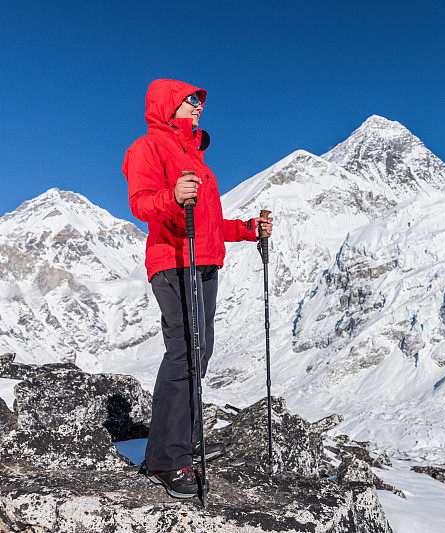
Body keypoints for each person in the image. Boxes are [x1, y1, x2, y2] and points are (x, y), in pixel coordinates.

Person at [122, 79, 272, 499]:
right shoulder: (147, 148)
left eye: (199, 100)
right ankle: (167, 459)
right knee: (184, 351)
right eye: (190, 100)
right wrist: (172, 195)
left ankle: (179, 445)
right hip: (173, 262)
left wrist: (246, 230)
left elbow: (205, 224)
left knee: (199, 351)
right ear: (168, 105)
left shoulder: (196, 157)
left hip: (204, 263)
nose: (198, 106)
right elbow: (141, 203)